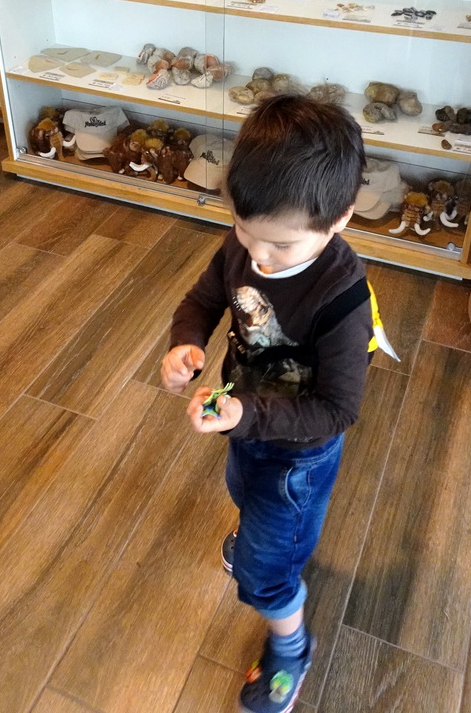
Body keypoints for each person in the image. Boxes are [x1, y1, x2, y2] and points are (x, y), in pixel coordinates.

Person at [161, 93, 375, 713]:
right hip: (246, 427)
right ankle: (258, 536)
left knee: (267, 572)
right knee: (240, 487)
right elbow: (203, 298)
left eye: (279, 246)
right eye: (244, 232)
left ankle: (291, 645)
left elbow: (338, 409)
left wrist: (246, 415)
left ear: (341, 219)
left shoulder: (342, 298)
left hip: (299, 456)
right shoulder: (245, 246)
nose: (257, 256)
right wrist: (185, 345)